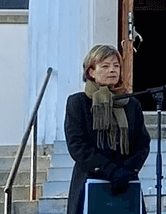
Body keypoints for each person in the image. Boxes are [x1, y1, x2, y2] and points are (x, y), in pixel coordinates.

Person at [65, 45, 151, 214]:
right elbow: (77, 145)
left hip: (125, 181)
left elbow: (142, 142)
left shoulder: (131, 103)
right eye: (105, 66)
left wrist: (127, 171)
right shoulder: (78, 102)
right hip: (90, 179)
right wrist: (110, 171)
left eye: (116, 65)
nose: (112, 70)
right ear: (91, 72)